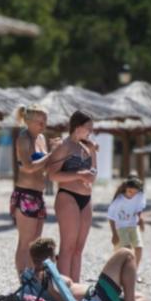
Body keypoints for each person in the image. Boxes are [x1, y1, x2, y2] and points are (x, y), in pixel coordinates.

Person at [28, 237, 147, 301]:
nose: (57, 259)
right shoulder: (46, 276)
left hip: (99, 297)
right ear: (50, 257)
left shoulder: (43, 276)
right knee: (126, 253)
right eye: (56, 256)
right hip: (97, 298)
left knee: (140, 296)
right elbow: (61, 299)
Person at [45, 110, 97, 282]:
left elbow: (93, 174)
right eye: (88, 128)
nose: (91, 131)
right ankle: (63, 290)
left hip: (86, 198)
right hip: (68, 196)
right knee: (67, 247)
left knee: (78, 249)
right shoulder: (64, 146)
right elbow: (52, 175)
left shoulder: (85, 147)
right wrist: (79, 175)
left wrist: (93, 154)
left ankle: (75, 287)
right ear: (77, 127)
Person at [11, 103, 60, 277]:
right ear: (28, 121)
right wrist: (52, 154)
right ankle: (22, 280)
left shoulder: (40, 138)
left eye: (45, 121)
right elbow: (29, 167)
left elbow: (44, 167)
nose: (43, 125)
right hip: (25, 194)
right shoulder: (23, 139)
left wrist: (57, 154)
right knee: (25, 243)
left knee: (35, 243)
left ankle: (32, 277)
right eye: (40, 122)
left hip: (38, 195)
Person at [107, 175, 146, 276]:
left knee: (139, 247)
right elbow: (111, 217)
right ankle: (122, 272)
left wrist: (140, 218)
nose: (132, 195)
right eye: (130, 191)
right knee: (126, 250)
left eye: (135, 192)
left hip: (133, 225)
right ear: (125, 188)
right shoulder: (119, 200)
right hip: (121, 227)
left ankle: (134, 272)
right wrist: (114, 234)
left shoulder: (140, 196)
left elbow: (139, 208)